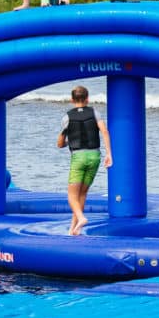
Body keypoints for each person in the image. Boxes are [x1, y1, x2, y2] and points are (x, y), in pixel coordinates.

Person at [57, 85, 112, 235]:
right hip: (94, 156)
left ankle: (81, 218)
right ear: (87, 99)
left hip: (79, 158)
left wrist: (70, 141)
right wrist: (109, 154)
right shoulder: (95, 113)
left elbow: (60, 144)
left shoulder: (67, 117)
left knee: (71, 196)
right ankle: (73, 230)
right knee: (82, 195)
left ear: (71, 99)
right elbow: (105, 131)